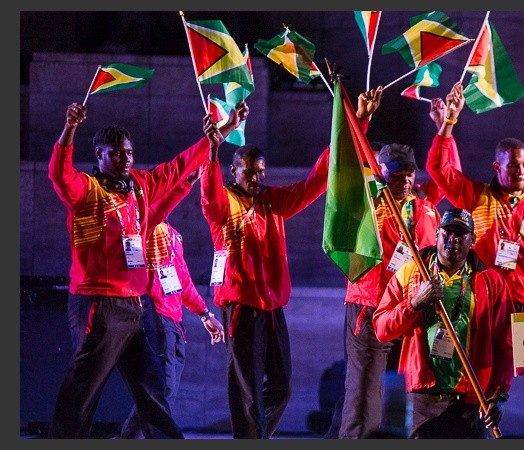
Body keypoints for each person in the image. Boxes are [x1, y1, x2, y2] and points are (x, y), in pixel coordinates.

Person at [47, 100, 246, 438]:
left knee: (153, 392)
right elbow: (58, 174)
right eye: (116, 154)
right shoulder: (86, 191)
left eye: (128, 153)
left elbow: (180, 165)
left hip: (136, 306)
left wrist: (223, 131)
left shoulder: (139, 186)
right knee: (82, 392)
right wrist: (70, 129)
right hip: (99, 304)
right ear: (99, 155)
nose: (125, 159)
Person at [199, 87, 383, 439]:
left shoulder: (272, 201)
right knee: (247, 391)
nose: (256, 178)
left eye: (261, 171)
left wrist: (359, 121)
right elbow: (209, 198)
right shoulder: (225, 205)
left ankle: (255, 437)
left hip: (272, 310)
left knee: (281, 390)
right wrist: (212, 150)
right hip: (240, 308)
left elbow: (317, 180)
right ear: (234, 172)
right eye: (249, 172)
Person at [425, 81, 524, 439]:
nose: (520, 172)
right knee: (479, 391)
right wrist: (447, 126)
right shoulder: (478, 197)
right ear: (497, 166)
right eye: (513, 166)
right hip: (489, 308)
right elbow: (439, 170)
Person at [324, 97, 462, 439]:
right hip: (371, 307)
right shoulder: (366, 206)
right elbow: (344, 164)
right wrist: (360, 120)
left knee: (427, 386)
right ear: (381, 173)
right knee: (363, 394)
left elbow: (449, 175)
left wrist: (446, 128)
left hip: (416, 306)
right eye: (395, 175)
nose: (403, 181)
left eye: (409, 175)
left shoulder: (424, 205)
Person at [373, 208, 515, 439]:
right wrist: (414, 303)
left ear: (472, 240)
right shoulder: (411, 273)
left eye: (461, 234)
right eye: (447, 233)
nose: (453, 240)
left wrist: (499, 394)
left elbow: (506, 345)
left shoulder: (492, 282)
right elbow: (381, 329)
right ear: (436, 234)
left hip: (471, 398)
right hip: (420, 396)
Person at [117, 203, 226, 437]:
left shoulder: (174, 236)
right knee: (161, 388)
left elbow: (183, 282)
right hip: (153, 318)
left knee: (165, 391)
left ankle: (127, 438)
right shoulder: (140, 231)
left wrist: (205, 314)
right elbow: (128, 272)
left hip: (175, 323)